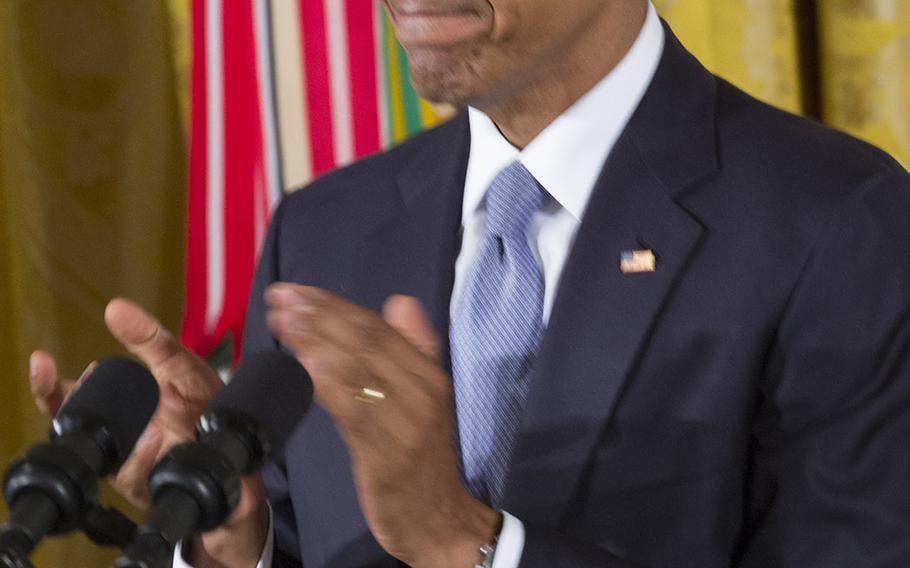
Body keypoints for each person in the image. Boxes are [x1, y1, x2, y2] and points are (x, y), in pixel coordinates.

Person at [30, 0, 910, 566]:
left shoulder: (838, 222)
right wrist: (230, 532)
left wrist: (469, 544)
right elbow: (305, 544)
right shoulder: (324, 230)